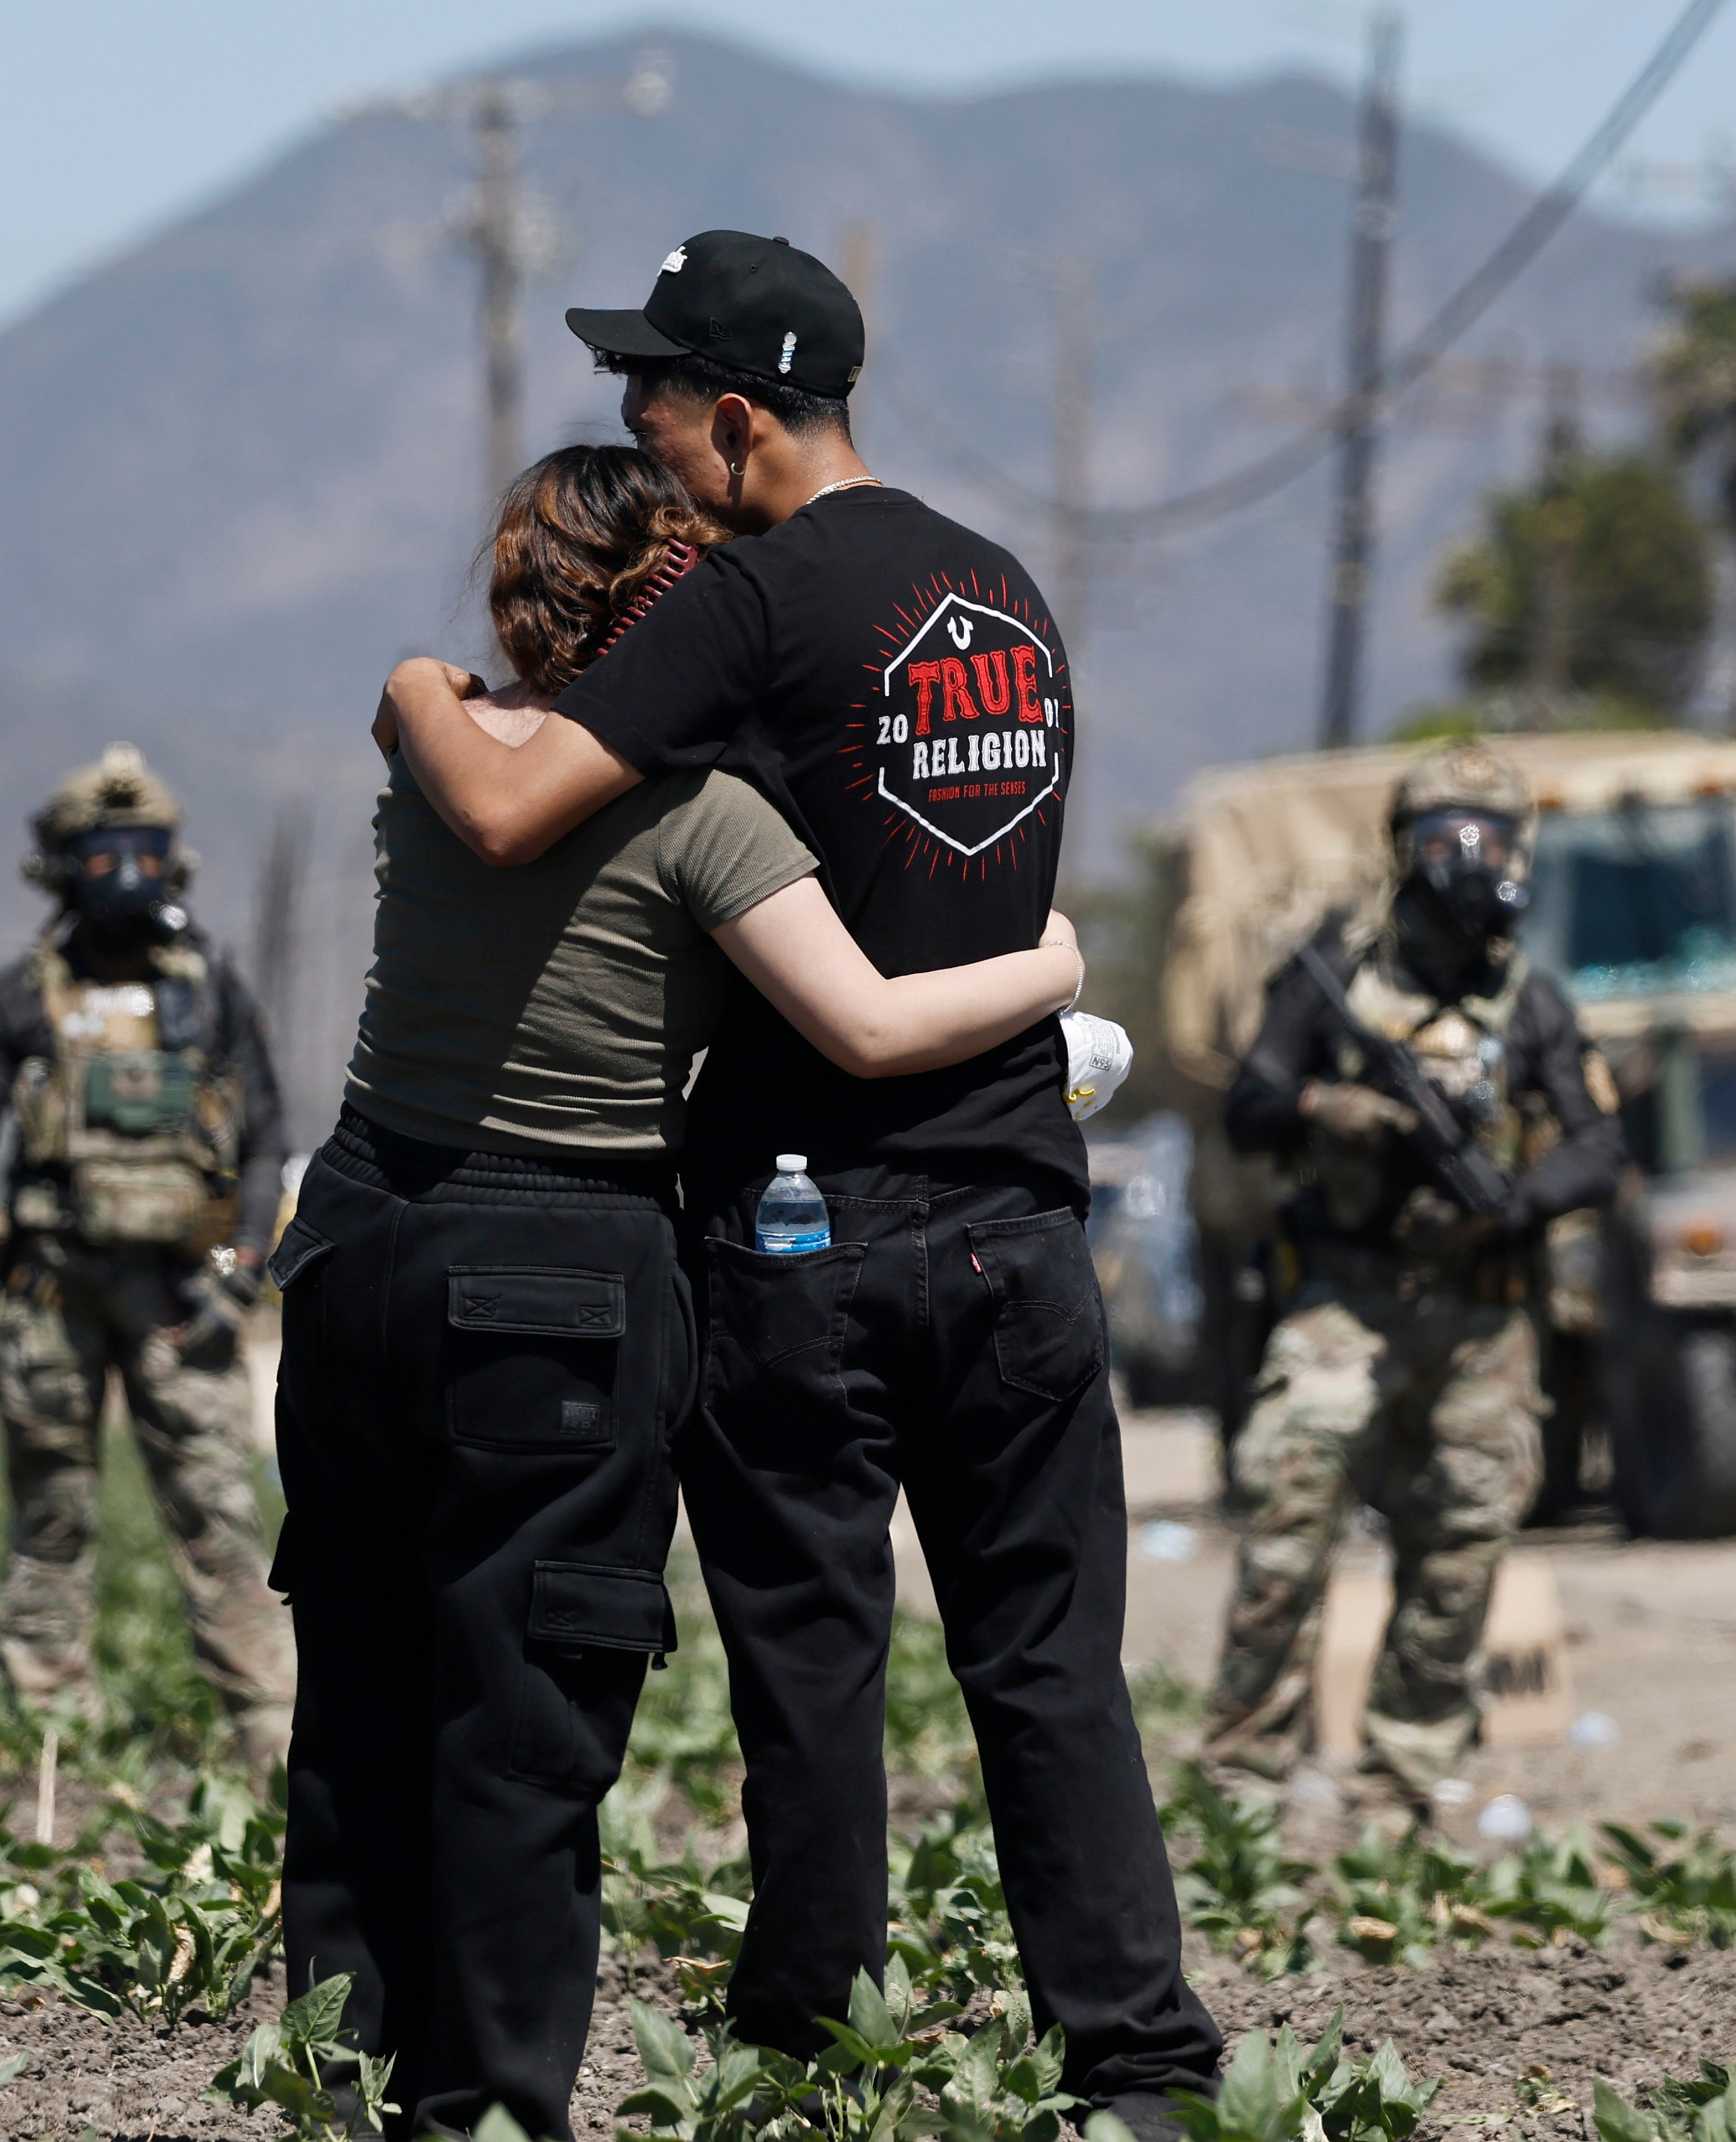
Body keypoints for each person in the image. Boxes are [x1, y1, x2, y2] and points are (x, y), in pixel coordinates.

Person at [375, 232, 1223, 2125]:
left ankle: (816, 2040)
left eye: (649, 404)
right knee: (1047, 1670)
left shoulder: (750, 604)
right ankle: (1141, 2061)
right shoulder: (998, 589)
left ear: (737, 416)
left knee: (813, 1672)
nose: (636, 441)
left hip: (802, 1227)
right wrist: (1061, 971)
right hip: (1016, 1218)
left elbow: (512, 804)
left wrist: (419, 690)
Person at [282, 442, 1088, 2142]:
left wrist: (447, 674)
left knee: (358, 1698)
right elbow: (866, 1027)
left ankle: (334, 2094)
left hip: (359, 1241)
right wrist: (1052, 964)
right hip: (558, 1277)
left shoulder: (424, 730)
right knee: (523, 1725)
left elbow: (439, 707)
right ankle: (484, 2113)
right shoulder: (713, 818)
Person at [1199, 743, 1624, 1813]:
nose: (1468, 861)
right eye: (1443, 838)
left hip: (1483, 1311)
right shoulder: (1330, 977)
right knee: (1289, 1518)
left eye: (1491, 838)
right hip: (1345, 1294)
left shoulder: (1531, 1003)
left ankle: (1406, 1770)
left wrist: (1508, 1206)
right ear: (1401, 851)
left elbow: (1597, 1146)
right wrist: (1325, 1109)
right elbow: (1247, 1104)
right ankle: (1245, 1771)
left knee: (1463, 1543)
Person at [0, 747, 297, 1773]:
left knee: (221, 1519)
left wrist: (237, 1273)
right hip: (51, 1294)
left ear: (175, 865)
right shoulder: (20, 999)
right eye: (102, 855)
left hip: (182, 1296)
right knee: (51, 1518)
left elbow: (263, 1144)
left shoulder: (213, 992)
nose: (127, 875)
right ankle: (52, 1747)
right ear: (62, 868)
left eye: (146, 853)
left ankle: (271, 1739)